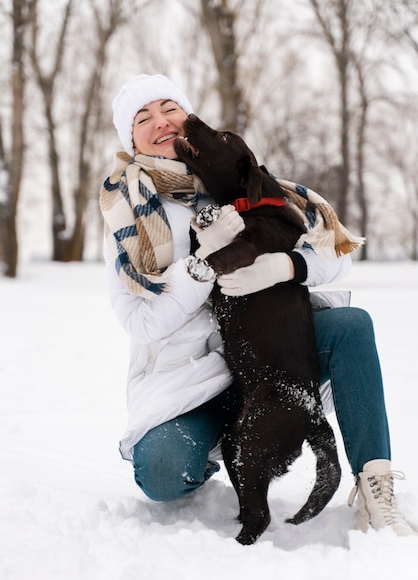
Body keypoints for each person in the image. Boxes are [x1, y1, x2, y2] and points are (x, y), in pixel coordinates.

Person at [99, 73, 417, 537]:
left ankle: (374, 482)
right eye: (142, 118)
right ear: (132, 139)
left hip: (272, 359)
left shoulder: (235, 177)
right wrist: (204, 262)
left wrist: (287, 267)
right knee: (163, 474)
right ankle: (217, 444)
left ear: (187, 117)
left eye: (169, 108)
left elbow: (333, 254)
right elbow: (143, 323)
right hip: (193, 379)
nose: (160, 122)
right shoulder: (128, 213)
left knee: (351, 325)